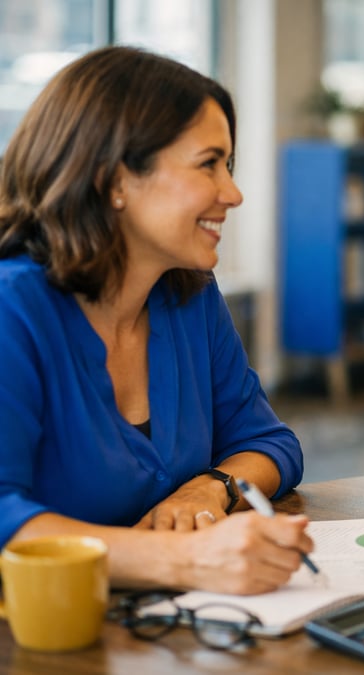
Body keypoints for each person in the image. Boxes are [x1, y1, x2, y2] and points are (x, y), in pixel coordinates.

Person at [0, 46, 310, 595]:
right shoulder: (13, 309)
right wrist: (180, 559)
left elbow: (270, 443)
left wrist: (210, 488)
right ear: (115, 177)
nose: (233, 194)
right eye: (208, 164)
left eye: (229, 167)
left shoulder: (188, 295)